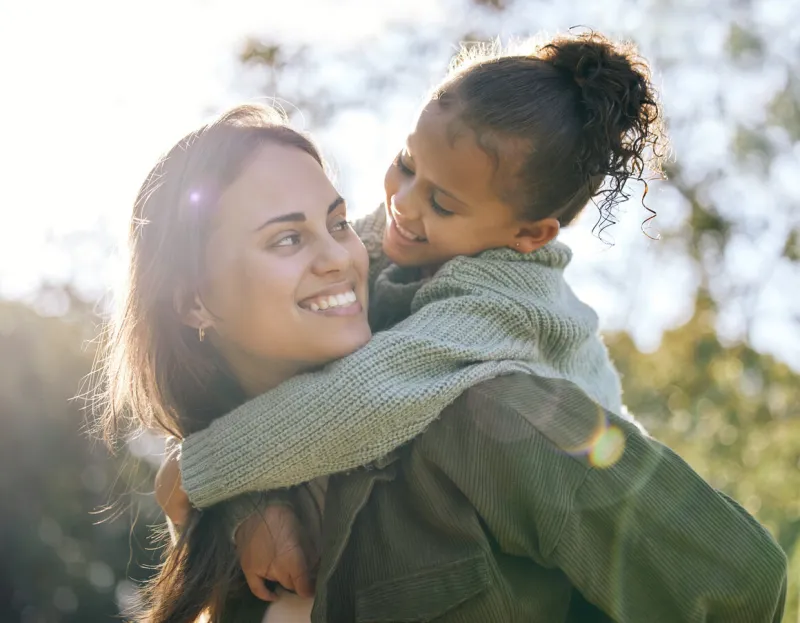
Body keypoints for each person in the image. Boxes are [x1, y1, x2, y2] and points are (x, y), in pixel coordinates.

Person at [156, 32, 787, 622]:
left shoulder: (499, 309)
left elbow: (373, 394)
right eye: (406, 164)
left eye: (443, 202)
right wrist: (245, 504)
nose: (402, 205)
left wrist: (203, 469)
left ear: (528, 235)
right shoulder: (412, 236)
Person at [95, 103, 369, 622]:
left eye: (339, 222)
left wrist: (209, 471)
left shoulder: (455, 423)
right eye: (287, 238)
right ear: (195, 302)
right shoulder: (200, 506)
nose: (340, 257)